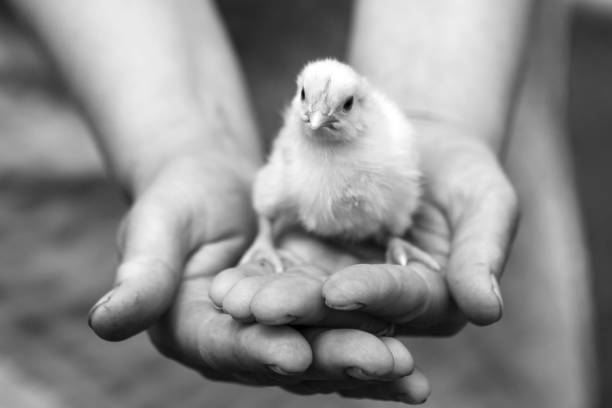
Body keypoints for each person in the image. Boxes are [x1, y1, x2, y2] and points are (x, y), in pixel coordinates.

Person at [10, 0, 595, 406]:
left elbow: (399, 170)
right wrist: (176, 140)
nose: (315, 118)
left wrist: (442, 109)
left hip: (466, 52)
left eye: (337, 110)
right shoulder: (300, 144)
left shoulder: (389, 144)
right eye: (308, 104)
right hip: (103, 96)